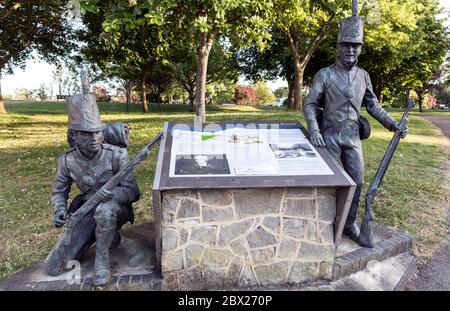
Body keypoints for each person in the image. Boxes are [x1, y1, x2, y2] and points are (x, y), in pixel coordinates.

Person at [303, 13, 407, 244]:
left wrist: (393, 125)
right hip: (329, 135)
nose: (351, 50)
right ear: (338, 47)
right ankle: (323, 224)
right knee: (329, 183)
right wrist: (315, 130)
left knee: (357, 181)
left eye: (355, 46)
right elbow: (310, 104)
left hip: (352, 137)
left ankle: (349, 223)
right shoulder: (325, 74)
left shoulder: (364, 76)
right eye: (346, 45)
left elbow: (373, 106)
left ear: (360, 49)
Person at [43, 78, 140, 286]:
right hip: (87, 210)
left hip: (116, 209)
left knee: (105, 210)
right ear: (74, 135)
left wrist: (113, 195)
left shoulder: (116, 155)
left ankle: (102, 261)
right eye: (87, 134)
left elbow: (133, 192)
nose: (94, 138)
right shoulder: (67, 160)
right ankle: (108, 235)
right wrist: (60, 209)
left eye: (97, 132)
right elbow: (59, 192)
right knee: (54, 267)